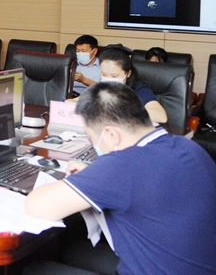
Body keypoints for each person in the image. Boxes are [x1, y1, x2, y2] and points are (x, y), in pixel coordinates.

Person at [25, 82, 216, 275]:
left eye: (92, 139)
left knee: (35, 269)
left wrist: (98, 175)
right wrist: (93, 176)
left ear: (111, 134)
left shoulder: (121, 166)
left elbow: (37, 206)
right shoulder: (189, 147)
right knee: (69, 250)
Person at [99, 46, 167, 123]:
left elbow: (161, 116)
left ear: (128, 73)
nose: (108, 79)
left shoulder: (139, 88)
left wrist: (123, 110)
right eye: (104, 74)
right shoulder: (99, 86)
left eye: (114, 76)